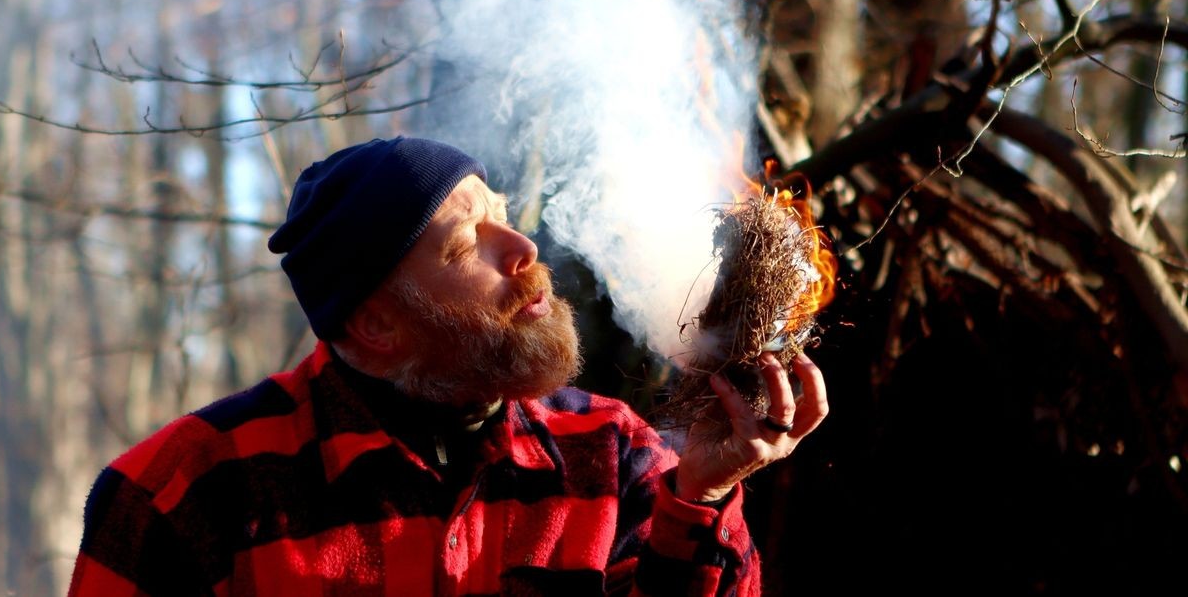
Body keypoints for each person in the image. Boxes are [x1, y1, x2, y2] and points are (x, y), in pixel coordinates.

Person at [69, 137, 828, 596]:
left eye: (501, 210)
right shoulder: (181, 492)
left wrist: (702, 493)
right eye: (469, 244)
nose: (522, 247)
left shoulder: (614, 453)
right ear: (377, 324)